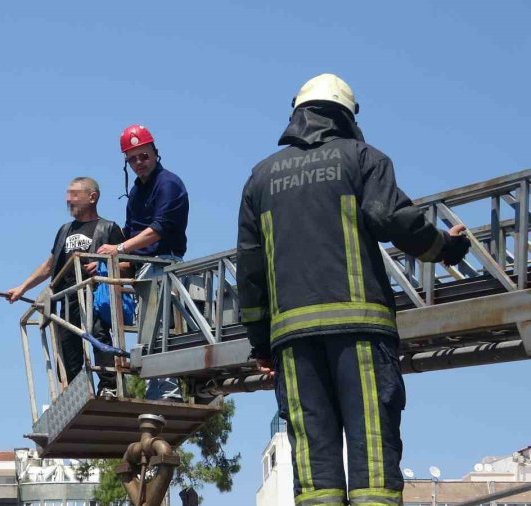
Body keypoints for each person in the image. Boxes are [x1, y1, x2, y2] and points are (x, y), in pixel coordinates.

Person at [237, 73, 470, 506]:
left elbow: (249, 271)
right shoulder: (364, 159)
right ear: (346, 115)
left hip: (292, 342)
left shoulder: (259, 178)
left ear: (298, 114)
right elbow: (394, 221)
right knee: (373, 456)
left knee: (313, 460)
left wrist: (261, 344)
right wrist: (447, 248)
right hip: (360, 330)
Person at [7, 177, 125, 395]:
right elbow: (50, 265)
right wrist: (23, 287)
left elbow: (128, 264)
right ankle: (72, 393)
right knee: (67, 347)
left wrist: (102, 266)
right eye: (67, 194)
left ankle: (109, 387)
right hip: (68, 299)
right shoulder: (64, 230)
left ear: (92, 197)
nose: (68, 199)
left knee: (99, 336)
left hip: (95, 295)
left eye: (74, 194)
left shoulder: (108, 228)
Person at [98, 124, 189, 401]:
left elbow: (158, 230)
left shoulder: (169, 184)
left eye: (143, 156)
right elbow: (133, 233)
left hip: (164, 264)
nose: (139, 162)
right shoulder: (136, 193)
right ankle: (156, 390)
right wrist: (114, 262)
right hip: (144, 266)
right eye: (132, 158)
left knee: (156, 329)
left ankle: (168, 392)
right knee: (148, 331)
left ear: (155, 153)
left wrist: (119, 249)